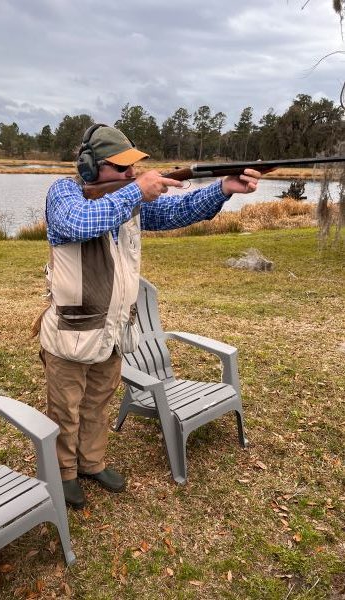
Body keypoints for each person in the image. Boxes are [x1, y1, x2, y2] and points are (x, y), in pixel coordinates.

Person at [38, 124, 261, 508]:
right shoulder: (65, 193)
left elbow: (177, 210)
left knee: (98, 403)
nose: (131, 174)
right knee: (66, 409)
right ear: (91, 167)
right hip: (70, 333)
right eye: (121, 169)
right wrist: (135, 190)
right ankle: (63, 473)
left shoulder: (127, 200)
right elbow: (75, 224)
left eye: (133, 169)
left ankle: (91, 464)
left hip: (112, 331)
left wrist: (223, 188)